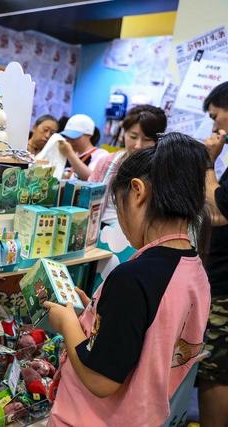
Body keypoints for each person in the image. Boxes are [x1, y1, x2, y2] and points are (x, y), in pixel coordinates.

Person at [45, 133, 211, 426]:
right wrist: (98, 314)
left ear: (137, 192)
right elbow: (149, 339)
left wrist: (67, 323)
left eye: (118, 207)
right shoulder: (195, 272)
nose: (121, 221)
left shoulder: (133, 279)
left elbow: (100, 380)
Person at [200, 81, 228, 427]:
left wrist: (208, 163)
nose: (214, 124)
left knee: (215, 369)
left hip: (224, 286)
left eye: (215, 115)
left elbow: (219, 213)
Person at [90, 105, 168, 225]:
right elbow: (89, 196)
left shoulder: (162, 171)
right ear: (124, 133)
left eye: (147, 139)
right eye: (133, 137)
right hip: (98, 228)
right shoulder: (107, 162)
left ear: (158, 140)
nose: (138, 145)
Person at [57, 114, 107, 180]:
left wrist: (69, 154)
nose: (70, 140)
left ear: (89, 135)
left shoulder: (101, 155)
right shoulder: (71, 153)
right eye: (68, 136)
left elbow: (91, 178)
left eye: (74, 137)